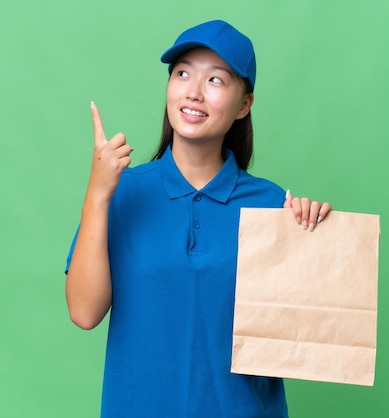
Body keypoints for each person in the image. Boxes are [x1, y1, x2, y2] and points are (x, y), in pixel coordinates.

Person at [65, 19, 332, 417]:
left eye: (216, 80)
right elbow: (85, 313)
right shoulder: (123, 192)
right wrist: (98, 194)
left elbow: (303, 334)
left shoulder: (273, 204)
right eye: (183, 73)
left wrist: (310, 237)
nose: (193, 92)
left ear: (244, 104)